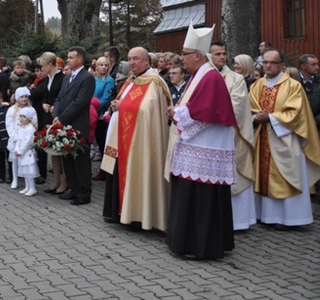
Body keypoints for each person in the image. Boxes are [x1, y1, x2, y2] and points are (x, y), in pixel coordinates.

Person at [166, 25, 236, 260]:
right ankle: (186, 242)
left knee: (201, 197)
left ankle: (201, 246)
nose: (181, 58)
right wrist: (178, 110)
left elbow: (205, 112)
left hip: (205, 146)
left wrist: (176, 114)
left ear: (197, 55)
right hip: (197, 145)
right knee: (191, 194)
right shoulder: (201, 75)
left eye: (184, 54)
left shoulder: (210, 77)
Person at [101, 47, 171, 232]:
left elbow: (147, 110)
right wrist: (117, 104)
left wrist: (121, 106)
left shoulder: (155, 82)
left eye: (136, 59)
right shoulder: (132, 80)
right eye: (130, 59)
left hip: (140, 140)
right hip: (122, 136)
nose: (132, 62)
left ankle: (138, 217)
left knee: (138, 173)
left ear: (147, 61)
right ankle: (118, 212)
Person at [250, 49, 320, 228]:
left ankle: (290, 218)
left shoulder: (292, 86)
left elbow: (297, 113)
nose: (267, 66)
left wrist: (272, 117)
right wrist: (254, 118)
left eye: (272, 63)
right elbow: (249, 108)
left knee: (287, 175)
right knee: (262, 175)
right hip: (262, 137)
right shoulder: (257, 85)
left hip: (285, 138)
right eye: (265, 62)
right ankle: (266, 216)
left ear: (282, 64)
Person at [210, 41, 256, 231]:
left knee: (235, 176)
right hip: (209, 136)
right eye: (217, 54)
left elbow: (236, 106)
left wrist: (207, 115)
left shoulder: (235, 79)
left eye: (224, 53)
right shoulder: (200, 77)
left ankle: (239, 221)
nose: (222, 57)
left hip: (231, 135)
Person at [52, 46, 95, 205]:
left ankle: (84, 193)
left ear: (80, 60)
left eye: (70, 57)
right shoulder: (67, 77)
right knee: (68, 158)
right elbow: (59, 99)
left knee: (80, 160)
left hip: (78, 124)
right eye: (68, 57)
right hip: (64, 123)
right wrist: (56, 115)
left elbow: (80, 102)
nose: (67, 60)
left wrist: (62, 118)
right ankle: (73, 188)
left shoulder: (87, 78)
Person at [32, 52, 65, 192]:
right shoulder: (47, 79)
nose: (41, 69)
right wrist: (44, 104)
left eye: (43, 66)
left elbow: (62, 96)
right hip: (47, 115)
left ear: (50, 65)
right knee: (53, 150)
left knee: (61, 151)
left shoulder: (62, 78)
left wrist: (54, 107)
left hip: (58, 116)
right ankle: (56, 180)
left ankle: (64, 181)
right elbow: (45, 95)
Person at [90, 56, 114, 165]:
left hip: (99, 113)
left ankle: (105, 167)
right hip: (90, 111)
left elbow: (105, 99)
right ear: (97, 67)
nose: (103, 67)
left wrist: (93, 108)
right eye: (101, 65)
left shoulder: (109, 80)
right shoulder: (94, 78)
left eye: (106, 65)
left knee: (101, 140)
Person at [7, 87, 32, 190]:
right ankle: (15, 179)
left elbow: (34, 123)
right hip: (16, 139)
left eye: (26, 97)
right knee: (15, 160)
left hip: (26, 139)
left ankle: (28, 182)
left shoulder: (31, 110)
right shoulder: (12, 110)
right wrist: (14, 136)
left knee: (26, 161)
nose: (24, 99)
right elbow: (9, 124)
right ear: (17, 98)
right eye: (21, 97)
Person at [14, 107, 40, 196]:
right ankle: (27, 186)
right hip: (22, 153)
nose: (21, 118)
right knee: (24, 170)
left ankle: (32, 188)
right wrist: (17, 149)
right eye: (20, 116)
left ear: (29, 118)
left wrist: (21, 150)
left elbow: (27, 142)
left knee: (29, 171)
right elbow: (18, 140)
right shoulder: (21, 128)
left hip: (28, 152)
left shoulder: (30, 129)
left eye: (24, 117)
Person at [297, 54, 320, 131]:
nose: (317, 67)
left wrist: (316, 120)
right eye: (313, 65)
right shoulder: (292, 82)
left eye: (317, 64)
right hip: (299, 126)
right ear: (303, 66)